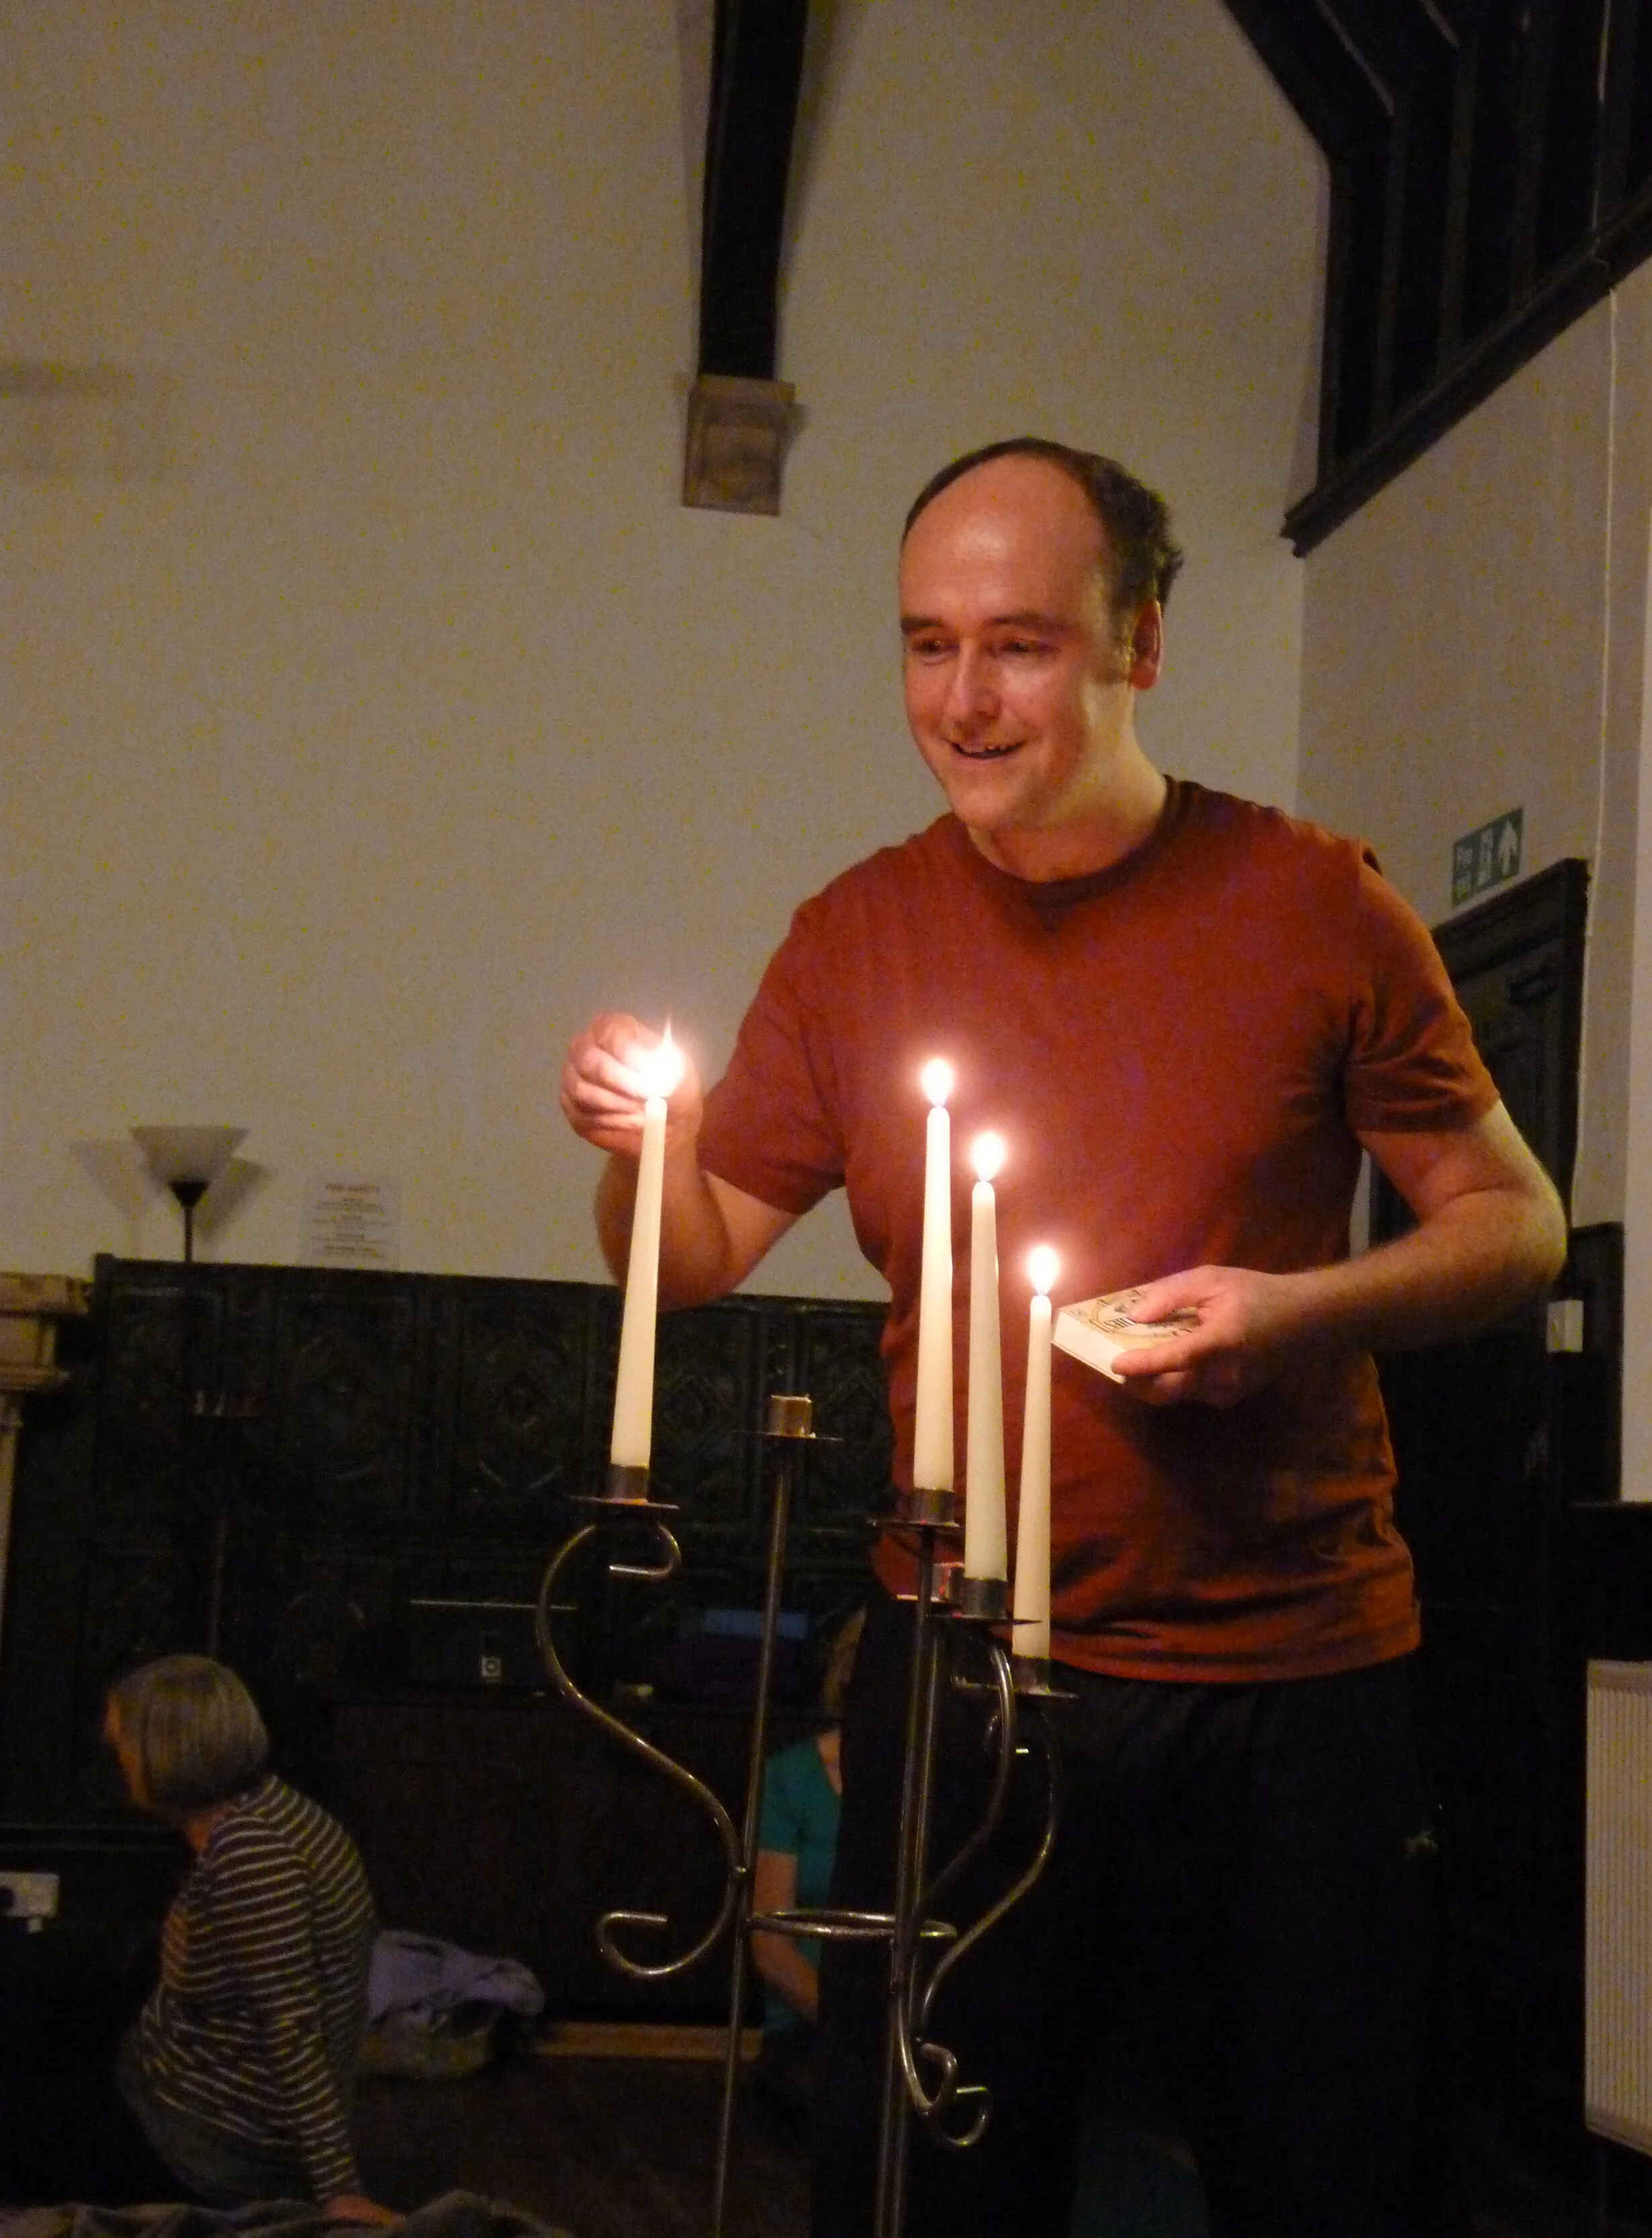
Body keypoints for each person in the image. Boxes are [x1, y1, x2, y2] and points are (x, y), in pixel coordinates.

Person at [559, 437, 1567, 2238]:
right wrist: (642, 1159)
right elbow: (694, 1251)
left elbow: (1513, 1223)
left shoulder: (1313, 901)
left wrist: (1298, 1309)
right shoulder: (856, 935)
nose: (961, 696)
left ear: (1141, 644)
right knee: (931, 2178)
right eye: (924, 643)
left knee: (1323, 2176)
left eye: (1016, 642)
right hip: (960, 1660)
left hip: (1292, 1672)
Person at [104, 1654, 390, 2220]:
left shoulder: (253, 1853)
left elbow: (291, 2024)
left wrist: (339, 2187)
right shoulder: (266, 1807)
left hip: (208, 2141)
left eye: (124, 1744)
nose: (120, 1758)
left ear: (167, 1752)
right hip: (178, 2082)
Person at [749, 1610, 864, 2131]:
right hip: (809, 2027)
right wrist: (852, 2028)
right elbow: (771, 1944)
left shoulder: (928, 1784)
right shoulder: (793, 1775)